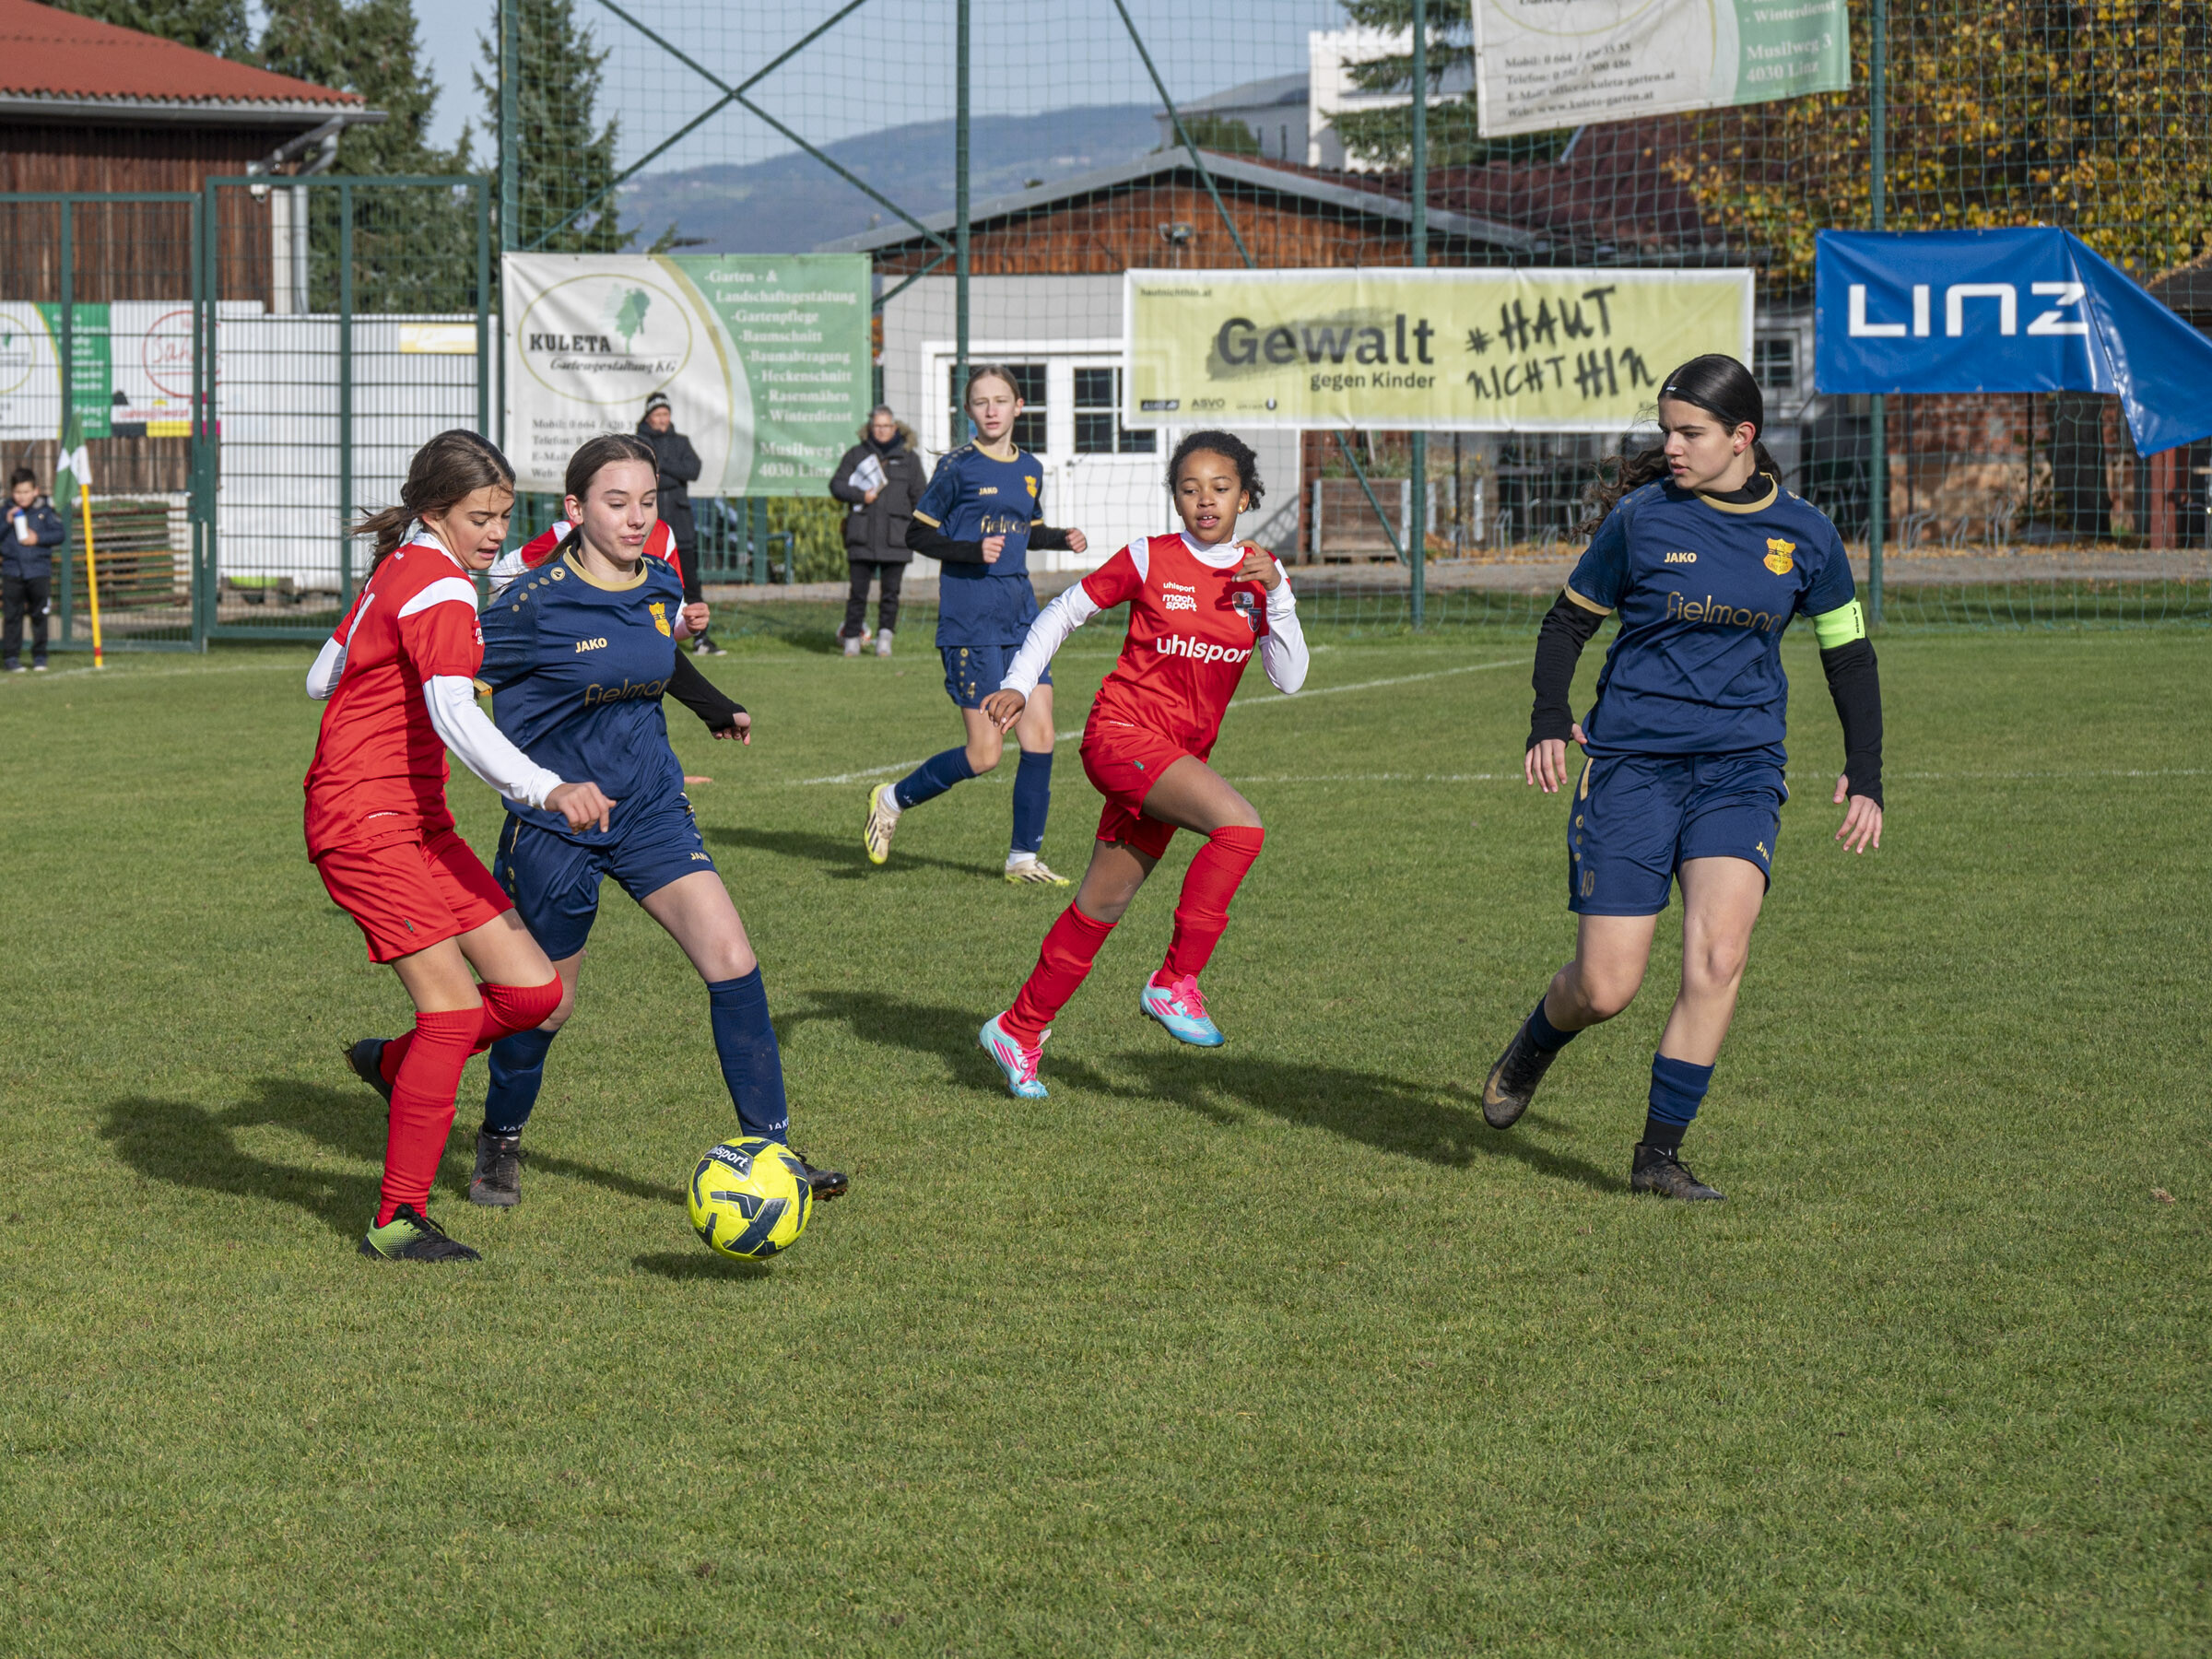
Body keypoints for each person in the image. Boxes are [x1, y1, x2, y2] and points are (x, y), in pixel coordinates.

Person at [1478, 354, 1885, 1201]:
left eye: (1689, 433)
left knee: (1719, 955)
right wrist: (1549, 718)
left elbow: (1848, 656)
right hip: (1632, 768)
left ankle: (1658, 1156)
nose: (1671, 446)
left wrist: (1866, 770)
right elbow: (1566, 626)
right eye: (1667, 430)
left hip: (1740, 770)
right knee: (1606, 988)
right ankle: (1535, 1043)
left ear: (1742, 437)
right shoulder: (1641, 519)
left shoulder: (1807, 534)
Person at [454, 433, 846, 1207]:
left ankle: (772, 1153)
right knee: (547, 1007)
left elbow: (654, 659)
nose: (636, 518)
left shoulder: (661, 582)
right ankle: (499, 1137)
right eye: (616, 502)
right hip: (557, 830)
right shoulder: (531, 605)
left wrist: (713, 707)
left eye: (646, 501)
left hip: (651, 811)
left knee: (732, 959)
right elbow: (448, 689)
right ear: (575, 509)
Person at [307, 429, 610, 1263]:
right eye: (481, 517)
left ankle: (395, 1067)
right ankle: (396, 1221)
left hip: (416, 820)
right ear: (436, 510)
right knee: (451, 1014)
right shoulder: (438, 585)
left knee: (534, 993)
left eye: (504, 515)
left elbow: (321, 675)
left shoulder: (403, 566)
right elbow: (454, 714)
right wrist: (545, 787)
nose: (496, 533)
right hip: (366, 823)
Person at [975, 430, 1308, 1098]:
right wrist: (1019, 681)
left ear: (1245, 496)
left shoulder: (1262, 575)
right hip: (1121, 736)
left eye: (1220, 488)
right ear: (1175, 498)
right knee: (1240, 829)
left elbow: (1290, 677)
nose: (1205, 500)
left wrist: (1279, 596)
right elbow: (1064, 611)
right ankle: (1174, 982)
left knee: (1102, 904)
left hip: (1173, 761)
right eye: (1190, 489)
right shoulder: (1150, 557)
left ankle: (1018, 1028)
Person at [861, 366, 1089, 885]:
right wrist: (969, 550)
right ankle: (891, 799)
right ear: (968, 410)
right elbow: (917, 535)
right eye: (981, 402)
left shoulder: (1030, 467)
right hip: (970, 623)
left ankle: (1022, 860)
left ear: (1018, 406)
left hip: (1021, 617)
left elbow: (1026, 530)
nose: (991, 410)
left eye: (1000, 400)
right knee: (985, 754)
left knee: (1041, 736)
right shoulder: (957, 467)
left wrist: (1060, 538)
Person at [828, 405, 925, 658]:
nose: (881, 430)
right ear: (870, 428)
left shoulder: (910, 459)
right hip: (862, 536)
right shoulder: (856, 454)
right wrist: (860, 495)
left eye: (886, 426)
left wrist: (921, 530)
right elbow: (836, 485)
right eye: (877, 426)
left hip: (897, 538)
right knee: (857, 593)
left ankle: (884, 639)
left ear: (895, 427)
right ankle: (851, 639)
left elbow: (920, 497)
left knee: (891, 594)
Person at [639, 393, 722, 657]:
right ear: (648, 417)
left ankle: (701, 638)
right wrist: (672, 474)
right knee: (647, 583)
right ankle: (647, 637)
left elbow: (693, 470)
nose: (662, 419)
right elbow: (646, 477)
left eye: (666, 414)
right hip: (650, 533)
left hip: (681, 527)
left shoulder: (681, 442)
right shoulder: (639, 442)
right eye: (657, 414)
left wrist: (662, 467)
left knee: (690, 584)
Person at [2, 466, 66, 672]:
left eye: (26, 491)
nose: (22, 496)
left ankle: (40, 656)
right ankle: (11, 657)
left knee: (40, 615)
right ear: (12, 492)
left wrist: (37, 538)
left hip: (39, 571)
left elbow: (60, 534)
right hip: (12, 571)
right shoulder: (5, 511)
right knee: (12, 616)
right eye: (18, 492)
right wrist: (7, 522)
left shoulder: (45, 511)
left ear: (36, 491)